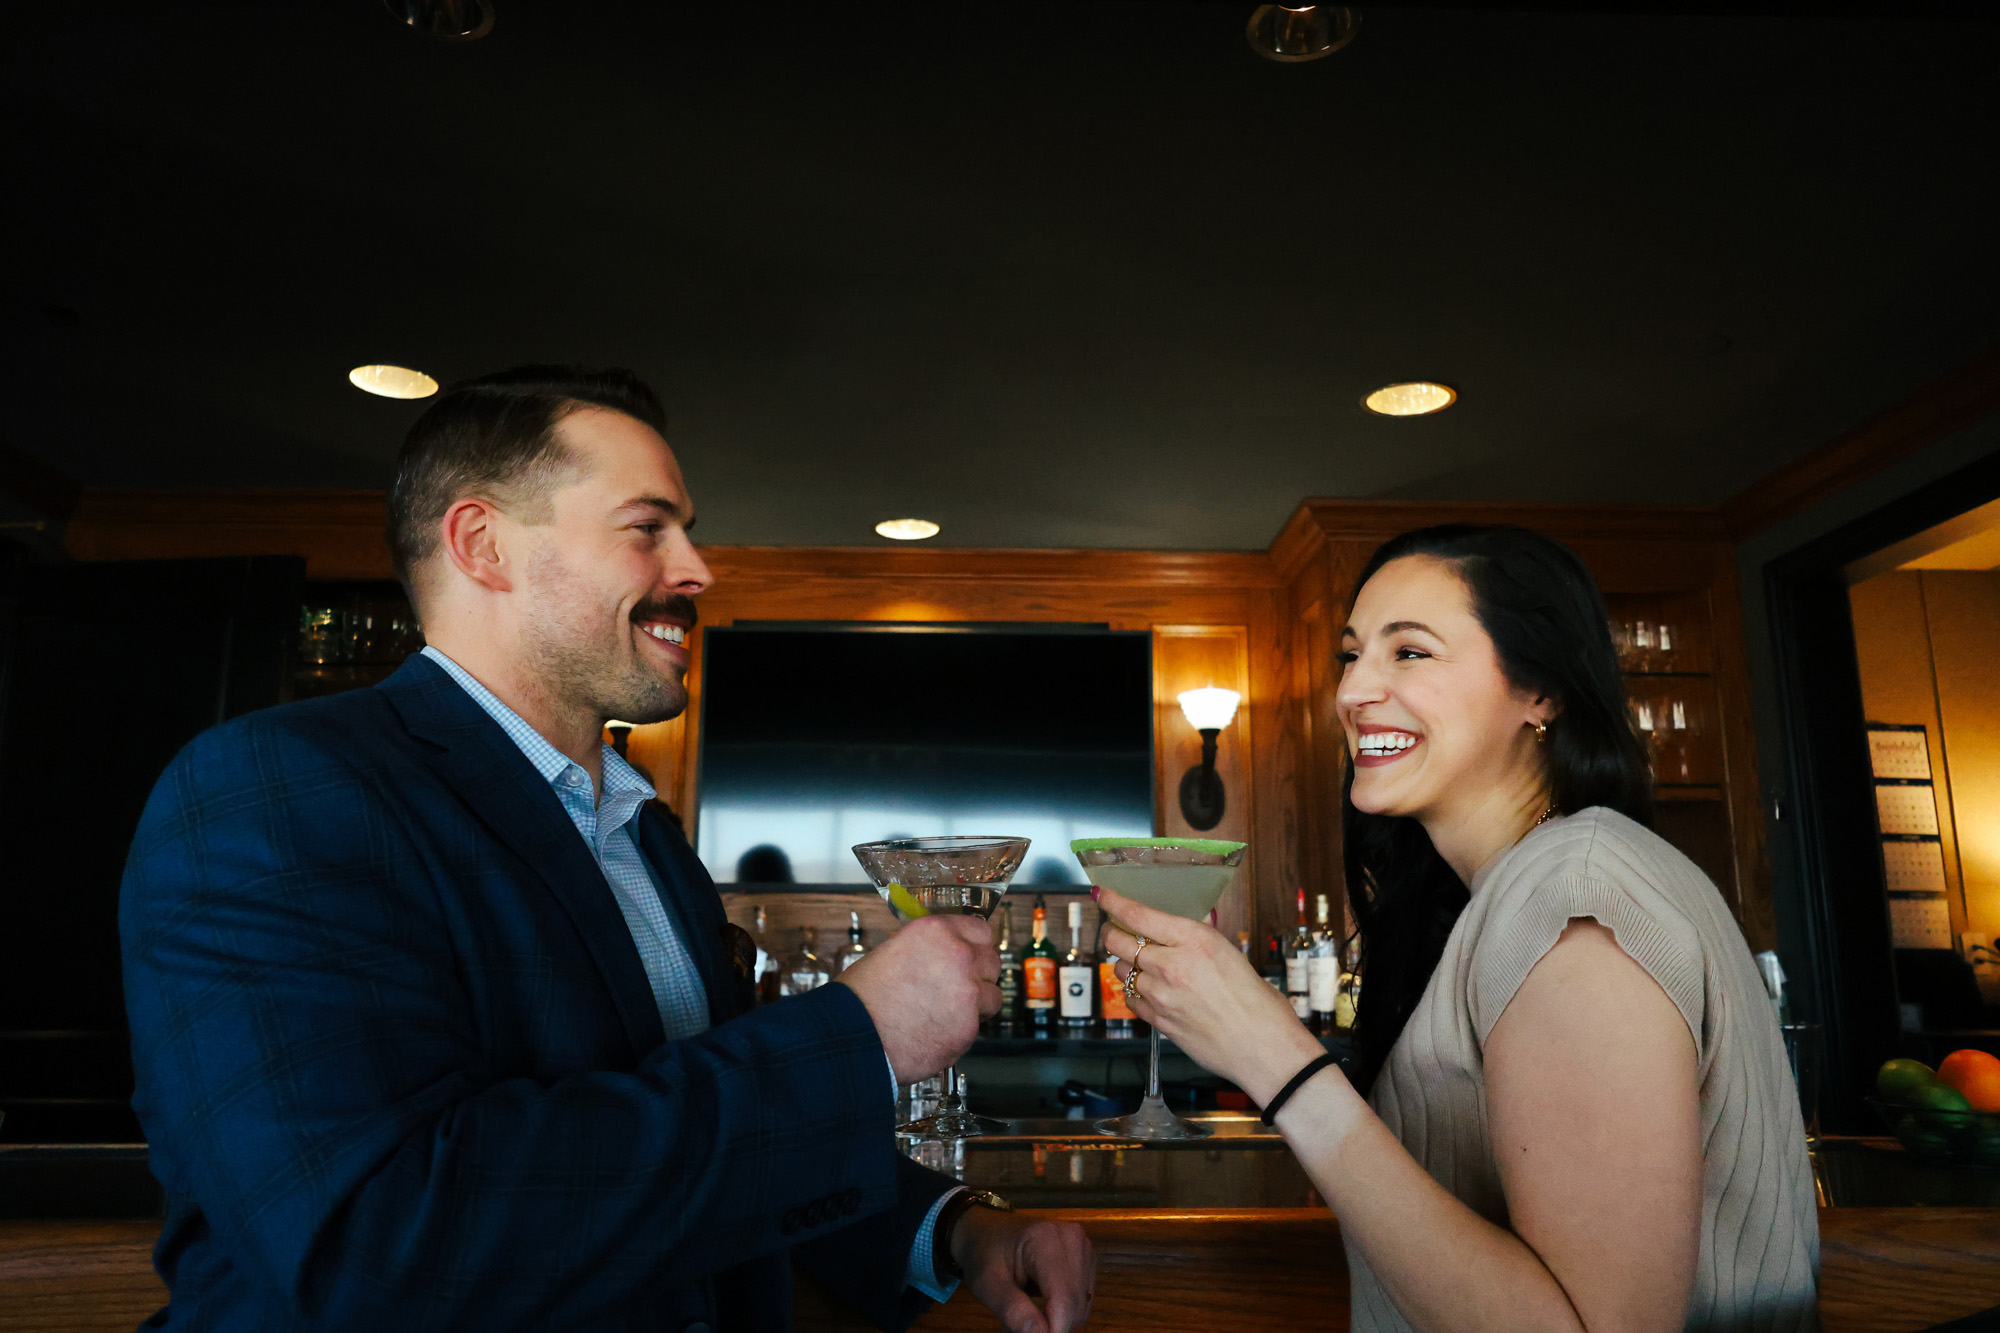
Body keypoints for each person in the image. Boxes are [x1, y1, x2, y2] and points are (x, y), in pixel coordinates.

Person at [120, 366, 1094, 1332]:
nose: (696, 570)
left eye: (687, 530)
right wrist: (854, 1042)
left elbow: (692, 1151)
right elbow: (386, 1238)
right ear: (481, 542)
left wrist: (950, 1228)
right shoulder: (269, 791)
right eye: (646, 528)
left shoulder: (644, 836)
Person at [1096, 525, 1817, 1332]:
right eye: (1352, 654)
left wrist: (1272, 1057)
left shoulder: (1576, 899)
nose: (1353, 690)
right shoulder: (1527, 888)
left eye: (1409, 653)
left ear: (1538, 691)